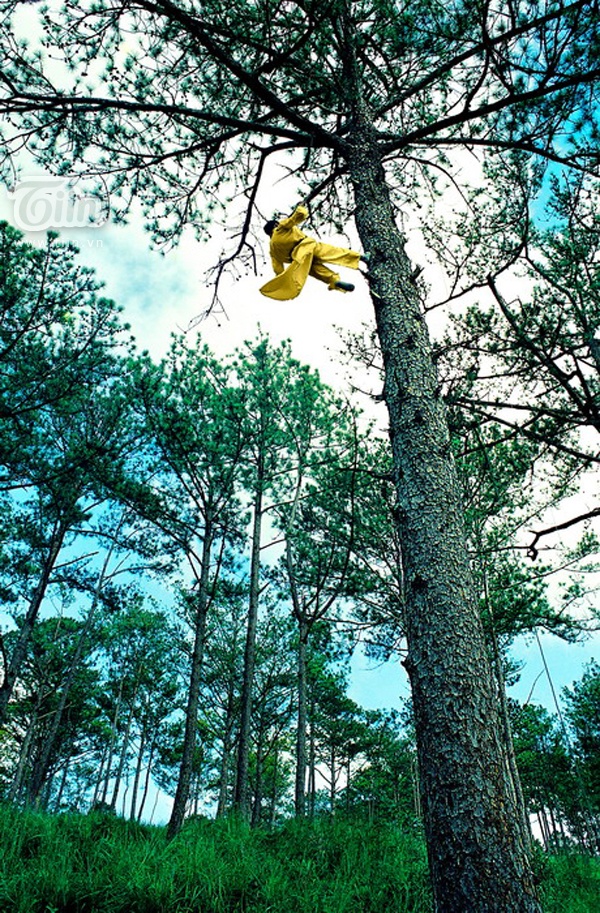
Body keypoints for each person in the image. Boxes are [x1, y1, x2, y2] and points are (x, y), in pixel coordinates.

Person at [259, 204, 368, 300]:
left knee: (320, 272)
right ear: (275, 225)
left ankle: (334, 281)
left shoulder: (273, 249)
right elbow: (299, 215)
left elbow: (278, 269)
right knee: (335, 253)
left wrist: (281, 282)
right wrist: (301, 207)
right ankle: (361, 258)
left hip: (300, 260)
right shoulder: (280, 228)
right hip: (307, 245)